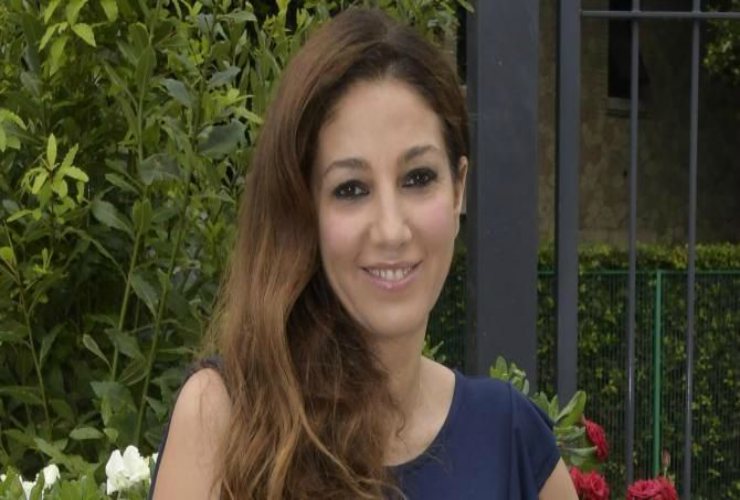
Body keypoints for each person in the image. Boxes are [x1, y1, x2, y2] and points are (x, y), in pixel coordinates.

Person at [149, 7, 577, 500]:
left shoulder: (512, 439)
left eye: (418, 178)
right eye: (351, 188)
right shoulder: (225, 418)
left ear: (459, 188)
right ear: (304, 210)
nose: (391, 230)